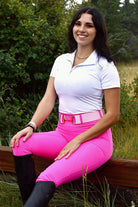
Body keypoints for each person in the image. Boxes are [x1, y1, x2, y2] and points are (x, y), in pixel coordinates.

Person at [10, 7, 120, 207]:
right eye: (78, 24)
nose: (82, 29)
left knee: (48, 175)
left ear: (98, 31)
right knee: (20, 144)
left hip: (94, 140)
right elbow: (48, 99)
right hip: (62, 133)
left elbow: (113, 115)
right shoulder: (62, 61)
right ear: (72, 27)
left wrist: (78, 140)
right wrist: (31, 125)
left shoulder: (105, 66)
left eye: (89, 25)